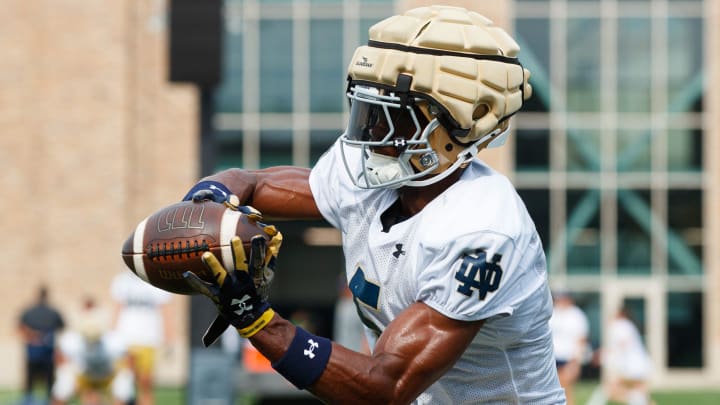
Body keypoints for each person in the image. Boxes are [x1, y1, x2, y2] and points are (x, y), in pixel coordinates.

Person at [180, 5, 565, 404]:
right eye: (368, 111)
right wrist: (217, 191)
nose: (372, 132)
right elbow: (259, 185)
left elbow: (385, 387)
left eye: (393, 118)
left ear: (464, 124)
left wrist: (256, 319)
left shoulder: (482, 230)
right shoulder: (383, 173)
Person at [51, 297, 134, 405]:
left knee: (124, 384)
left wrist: (127, 376)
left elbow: (129, 358)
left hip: (108, 376)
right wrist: (63, 372)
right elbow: (59, 355)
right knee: (62, 386)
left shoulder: (112, 341)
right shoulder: (73, 340)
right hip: (84, 375)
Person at [110, 271, 173, 405]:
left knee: (145, 384)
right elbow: (117, 308)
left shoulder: (157, 280)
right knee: (122, 385)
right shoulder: (122, 280)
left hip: (148, 340)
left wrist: (168, 338)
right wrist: (112, 336)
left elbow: (165, 310)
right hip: (124, 340)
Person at [18, 285, 65, 405]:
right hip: (47, 352)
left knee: (30, 380)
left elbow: (20, 327)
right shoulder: (53, 312)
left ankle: (28, 399)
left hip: (34, 352)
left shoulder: (29, 312)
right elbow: (62, 328)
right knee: (49, 380)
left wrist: (31, 336)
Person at [602, 307, 653, 405]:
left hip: (631, 366)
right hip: (639, 364)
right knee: (640, 394)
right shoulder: (629, 325)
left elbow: (622, 344)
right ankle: (638, 400)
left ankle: (638, 400)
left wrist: (609, 357)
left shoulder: (621, 325)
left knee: (611, 389)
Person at [549, 290, 590, 405]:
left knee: (565, 390)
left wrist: (575, 362)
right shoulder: (552, 313)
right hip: (551, 358)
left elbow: (581, 340)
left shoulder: (576, 316)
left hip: (568, 358)